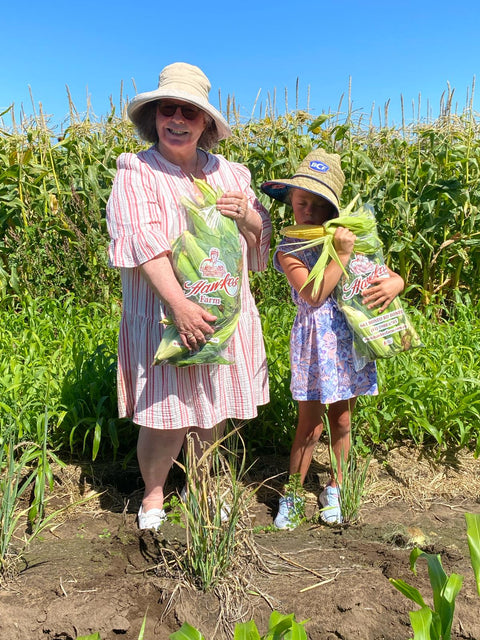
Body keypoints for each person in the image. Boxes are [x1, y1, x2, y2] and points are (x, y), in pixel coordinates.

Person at [106, 62, 271, 530]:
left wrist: (250, 218)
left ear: (206, 124)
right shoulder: (135, 170)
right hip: (163, 314)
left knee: (212, 408)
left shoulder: (232, 174)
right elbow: (140, 242)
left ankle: (205, 488)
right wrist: (179, 306)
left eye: (189, 113)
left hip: (222, 316)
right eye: (167, 110)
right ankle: (154, 496)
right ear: (154, 117)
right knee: (164, 414)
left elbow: (264, 238)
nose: (177, 120)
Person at [261, 149, 404, 528]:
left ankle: (336, 486)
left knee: (341, 420)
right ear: (290, 203)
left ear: (331, 209)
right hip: (314, 345)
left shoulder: (352, 238)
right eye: (299, 202)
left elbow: (387, 274)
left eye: (316, 204)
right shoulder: (289, 248)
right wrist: (340, 254)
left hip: (346, 344)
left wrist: (396, 283)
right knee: (310, 424)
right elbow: (313, 294)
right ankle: (292, 493)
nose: (306, 210)